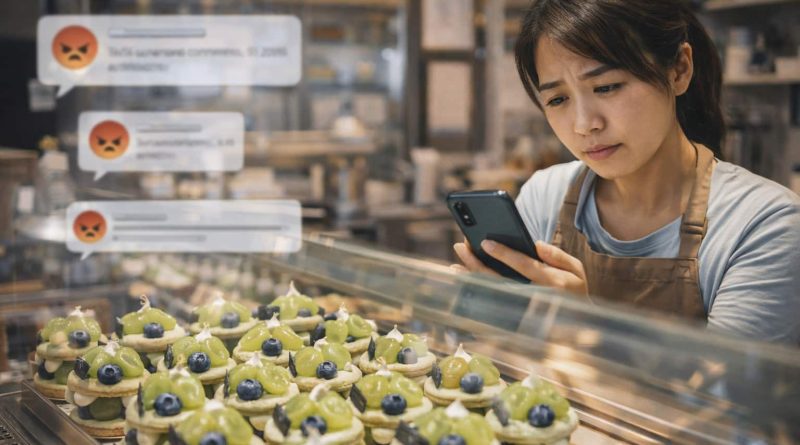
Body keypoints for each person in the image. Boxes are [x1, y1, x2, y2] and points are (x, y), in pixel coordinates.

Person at [453, 0, 800, 344]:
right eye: (558, 100)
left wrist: (587, 332)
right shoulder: (546, 195)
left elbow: (727, 394)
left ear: (679, 69)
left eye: (606, 87)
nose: (585, 124)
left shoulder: (763, 225)